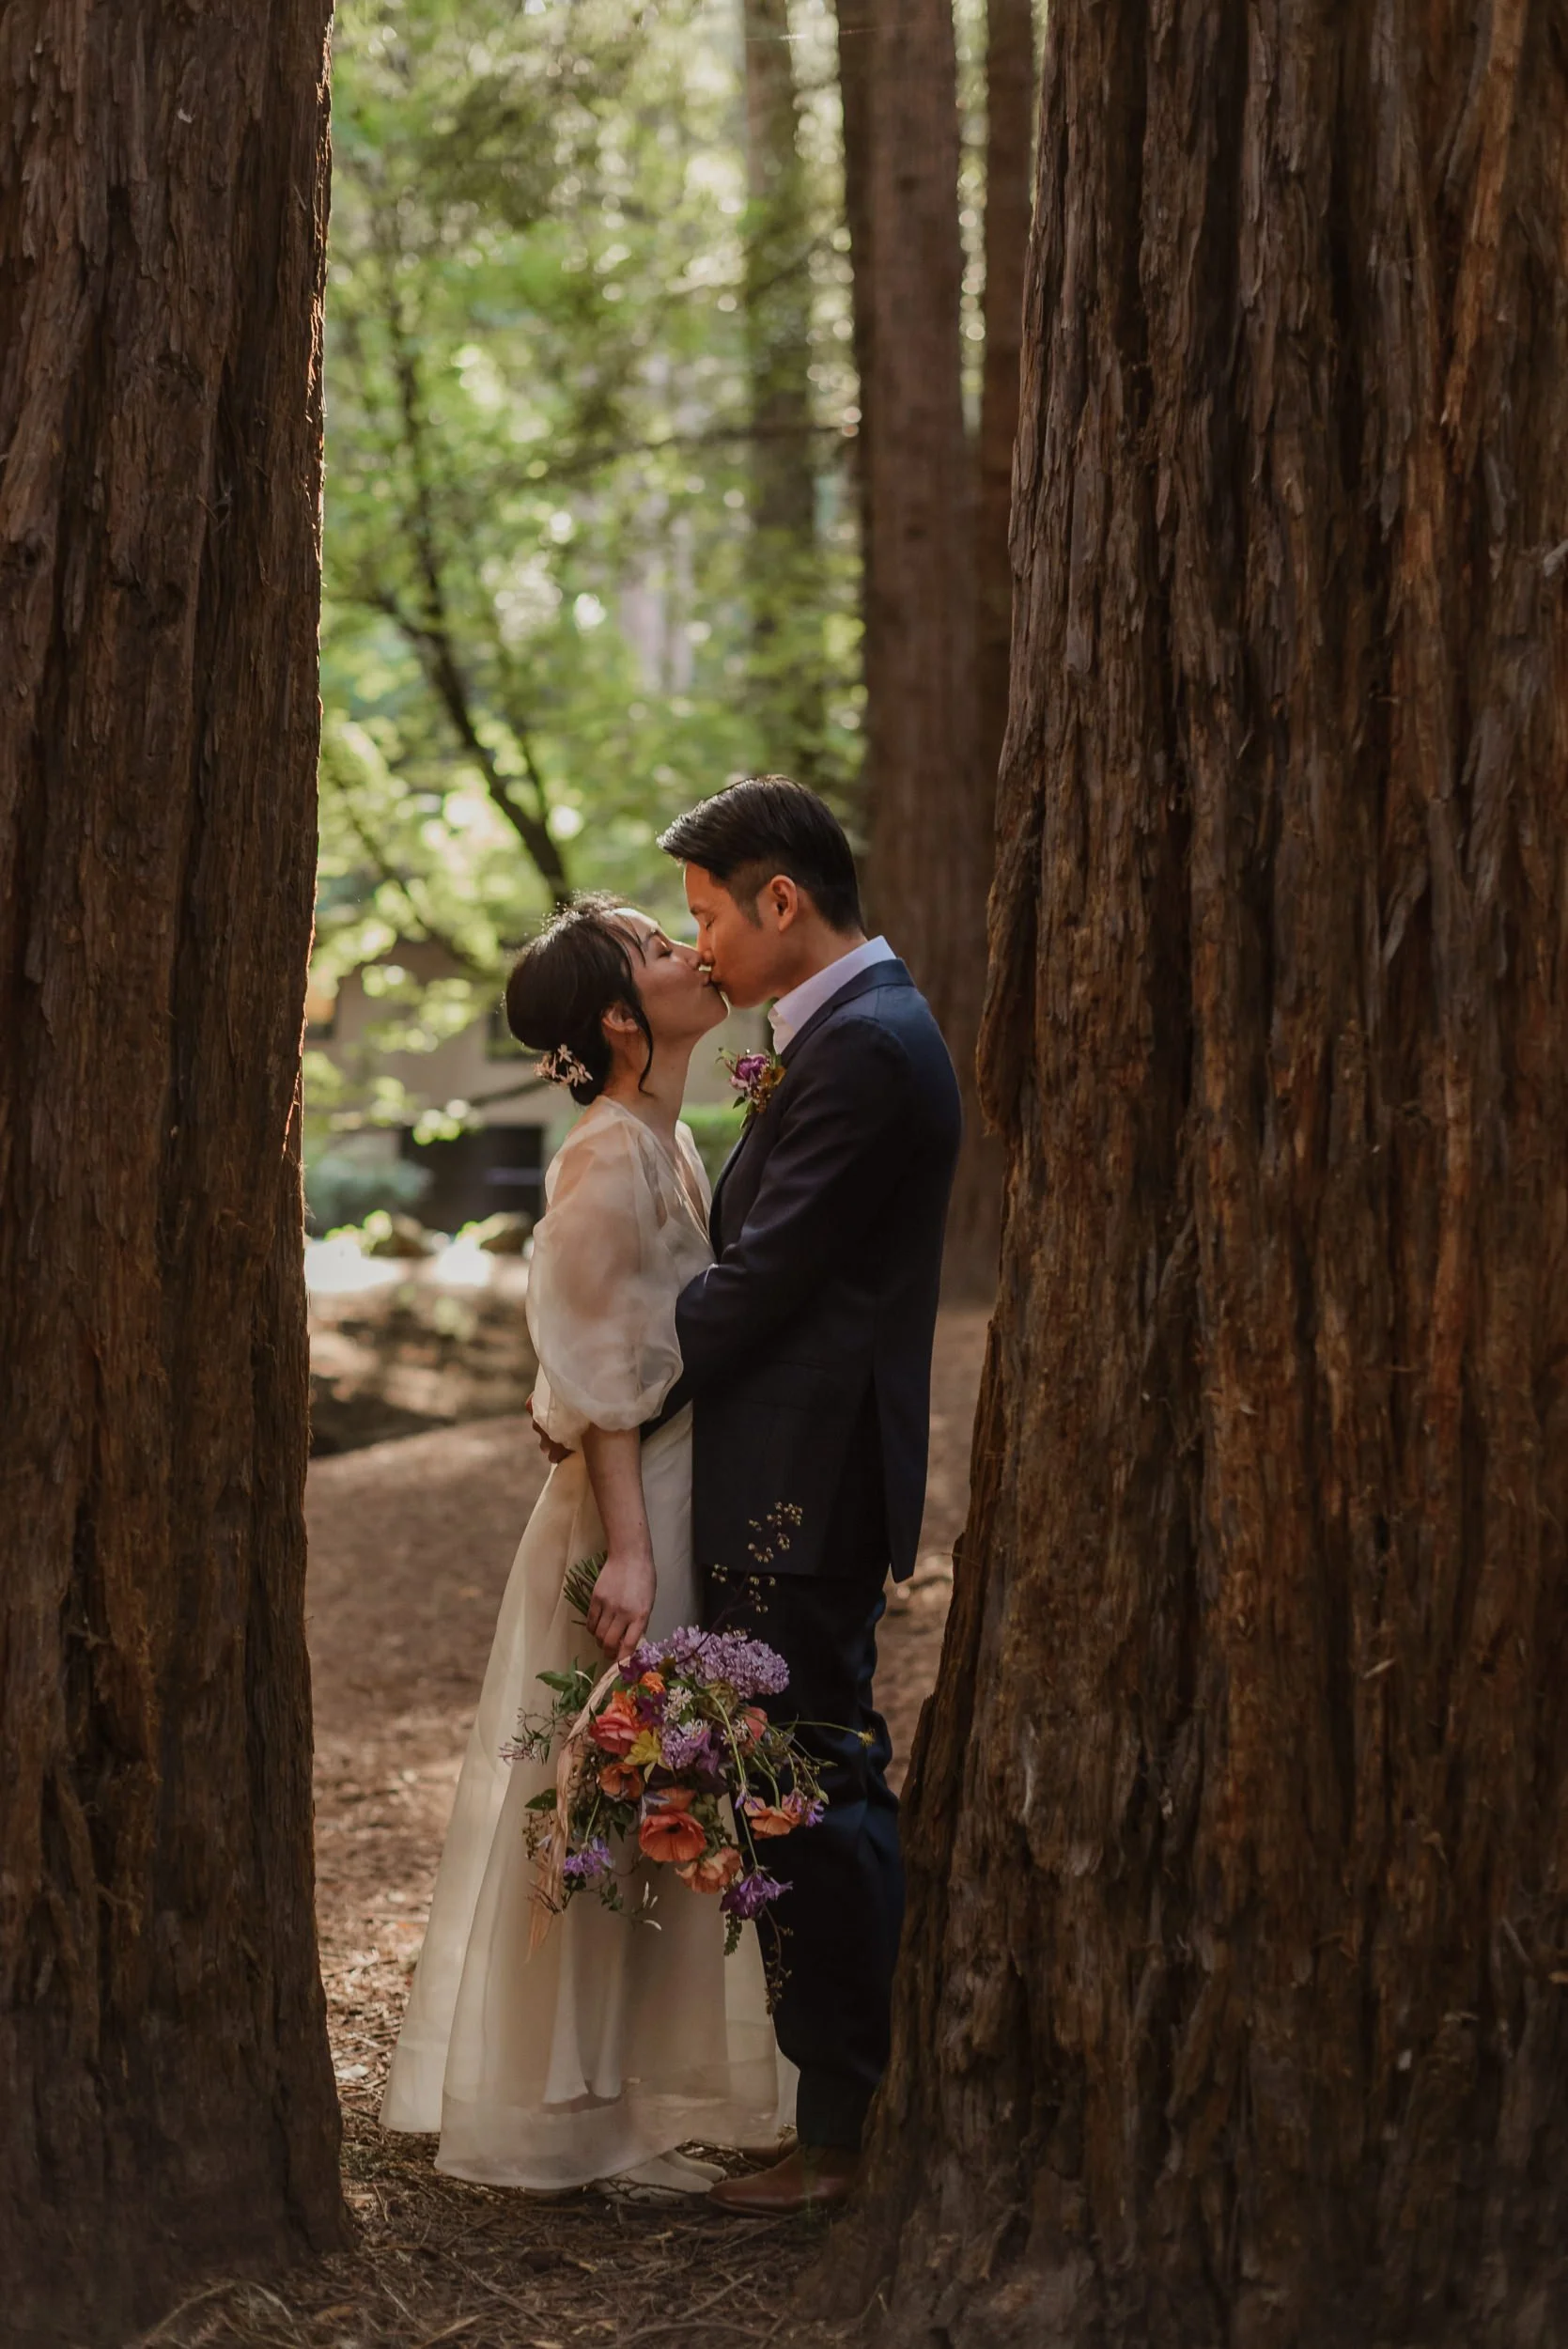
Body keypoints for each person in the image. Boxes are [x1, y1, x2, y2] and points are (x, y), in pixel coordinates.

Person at [380, 897, 785, 2193]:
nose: (691, 953)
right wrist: (630, 1552)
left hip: (674, 1490)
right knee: (606, 1792)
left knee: (655, 1797)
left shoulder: (661, 1140)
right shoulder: (604, 1155)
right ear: (620, 1018)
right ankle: (571, 2115)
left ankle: (626, 2098)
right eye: (663, 952)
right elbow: (596, 1371)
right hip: (633, 1516)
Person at [656, 776, 962, 2214]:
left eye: (709, 914)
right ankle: (831, 2113)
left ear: (783, 902)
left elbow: (767, 1275)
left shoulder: (870, 1049)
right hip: (790, 1466)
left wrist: (611, 1376)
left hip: (805, 1478)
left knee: (811, 1783)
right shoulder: (840, 1033)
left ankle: (843, 2136)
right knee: (792, 1776)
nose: (696, 942)